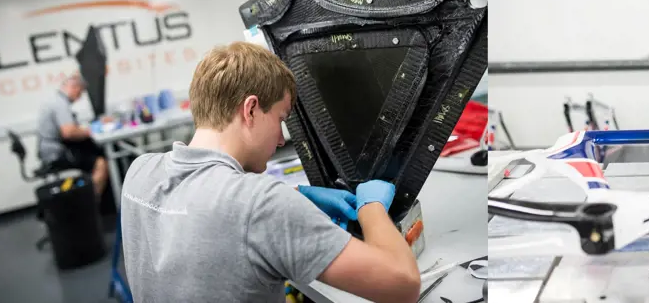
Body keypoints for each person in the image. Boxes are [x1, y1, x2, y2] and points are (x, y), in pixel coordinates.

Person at [120, 42, 420, 302]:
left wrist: (298, 196)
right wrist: (371, 208)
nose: (280, 139)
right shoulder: (261, 204)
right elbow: (403, 286)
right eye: (281, 118)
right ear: (250, 109)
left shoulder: (139, 173)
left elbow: (202, 209)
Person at [36, 75, 109, 200]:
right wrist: (91, 130)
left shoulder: (55, 101)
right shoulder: (60, 104)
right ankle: (91, 205)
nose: (79, 97)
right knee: (100, 163)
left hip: (49, 150)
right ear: (75, 88)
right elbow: (68, 132)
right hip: (56, 153)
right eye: (80, 93)